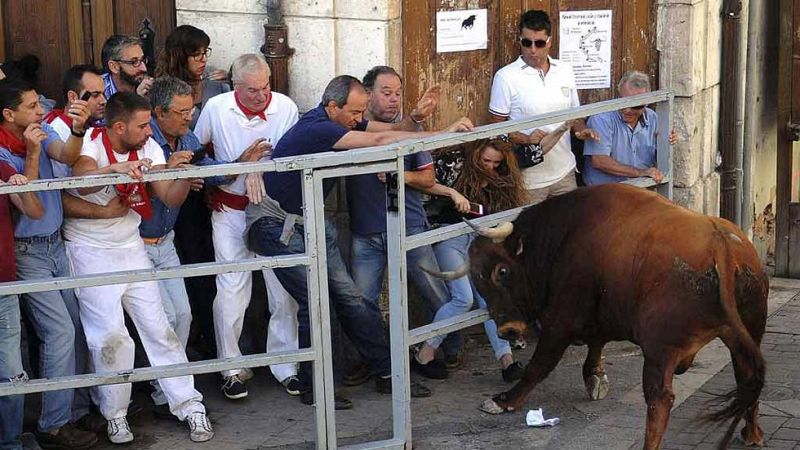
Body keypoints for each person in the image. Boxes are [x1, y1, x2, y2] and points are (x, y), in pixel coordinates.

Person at [246, 75, 474, 408]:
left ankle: (388, 374)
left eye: (361, 112)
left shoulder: (333, 121)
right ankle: (316, 388)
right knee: (316, 301)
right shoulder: (318, 128)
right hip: (275, 225)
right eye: (354, 113)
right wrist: (445, 133)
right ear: (332, 106)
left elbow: (386, 132)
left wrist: (418, 122)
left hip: (310, 222)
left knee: (352, 299)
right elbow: (381, 137)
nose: (358, 119)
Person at [64, 92, 213, 444]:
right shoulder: (90, 141)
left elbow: (169, 196)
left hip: (131, 245)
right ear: (119, 126)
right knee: (111, 336)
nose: (150, 132)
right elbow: (81, 178)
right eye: (143, 125)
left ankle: (189, 404)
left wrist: (177, 174)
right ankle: (114, 414)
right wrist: (114, 169)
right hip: (89, 249)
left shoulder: (150, 149)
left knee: (160, 327)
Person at [193, 53, 301, 400]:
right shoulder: (216, 108)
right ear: (235, 86)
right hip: (230, 210)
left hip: (273, 211)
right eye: (252, 90)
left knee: (283, 289)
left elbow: (289, 155)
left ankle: (287, 366)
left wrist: (258, 169)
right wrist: (234, 169)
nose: (260, 96)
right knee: (231, 291)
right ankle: (231, 370)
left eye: (265, 87)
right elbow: (197, 153)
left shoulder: (285, 107)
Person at [345, 66, 462, 383]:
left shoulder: (411, 135)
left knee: (435, 291)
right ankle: (373, 360)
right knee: (361, 302)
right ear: (368, 94)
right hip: (366, 232)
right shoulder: (351, 132)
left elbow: (428, 178)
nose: (394, 99)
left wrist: (401, 176)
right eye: (386, 92)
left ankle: (446, 349)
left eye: (398, 93)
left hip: (408, 226)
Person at [423, 128, 567, 383]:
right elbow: (423, 178)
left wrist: (564, 126)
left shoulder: (504, 176)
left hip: (482, 243)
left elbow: (539, 150)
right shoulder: (454, 165)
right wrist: (451, 193)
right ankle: (425, 353)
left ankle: (507, 362)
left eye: (495, 163)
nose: (489, 167)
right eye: (485, 161)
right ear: (475, 155)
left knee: (490, 298)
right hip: (450, 235)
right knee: (463, 299)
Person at [0, 78, 99, 449]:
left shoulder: (36, 133)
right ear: (9, 114)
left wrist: (77, 128)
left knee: (74, 325)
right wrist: (30, 153)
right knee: (58, 332)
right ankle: (53, 425)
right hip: (26, 252)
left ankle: (72, 412)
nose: (40, 111)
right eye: (30, 106)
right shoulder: (5, 151)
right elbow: (35, 204)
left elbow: (68, 156)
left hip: (55, 245)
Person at [141, 76, 231, 416]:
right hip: (135, 243)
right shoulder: (144, 137)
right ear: (159, 113)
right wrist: (175, 174)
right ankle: (162, 389)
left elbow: (207, 170)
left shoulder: (184, 136)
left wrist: (243, 162)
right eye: (181, 112)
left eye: (191, 110)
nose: (188, 118)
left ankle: (169, 385)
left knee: (183, 313)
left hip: (166, 241)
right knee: (158, 318)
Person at [155, 24, 231, 363]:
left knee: (199, 277)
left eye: (205, 54)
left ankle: (207, 345)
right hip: (158, 222)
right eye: (195, 54)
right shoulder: (155, 110)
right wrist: (181, 176)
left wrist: (240, 165)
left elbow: (202, 157)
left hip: (195, 205)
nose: (201, 61)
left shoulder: (212, 89)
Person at [488, 9, 598, 204]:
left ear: (549, 41)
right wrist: (526, 139)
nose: (532, 49)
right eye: (526, 42)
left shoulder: (565, 71)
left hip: (565, 170)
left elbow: (575, 114)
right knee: (531, 233)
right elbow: (495, 130)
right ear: (520, 40)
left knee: (568, 230)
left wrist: (581, 130)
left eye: (539, 43)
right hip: (529, 179)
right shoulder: (506, 77)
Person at [0, 161, 44, 450]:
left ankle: (11, 442)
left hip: (4, 285)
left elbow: (35, 212)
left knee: (12, 371)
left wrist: (21, 184)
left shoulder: (1, 168)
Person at [583, 70, 677, 185]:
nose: (627, 110)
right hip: (607, 192)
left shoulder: (652, 118)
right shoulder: (602, 119)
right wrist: (640, 172)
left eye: (635, 106)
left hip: (641, 189)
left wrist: (668, 140)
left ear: (646, 103)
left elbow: (662, 152)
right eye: (624, 102)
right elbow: (600, 161)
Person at [155, 24, 231, 130]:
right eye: (196, 54)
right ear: (180, 57)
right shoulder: (164, 89)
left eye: (205, 52)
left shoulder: (216, 84)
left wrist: (232, 80)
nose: (204, 59)